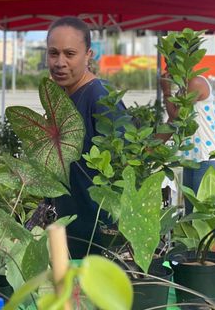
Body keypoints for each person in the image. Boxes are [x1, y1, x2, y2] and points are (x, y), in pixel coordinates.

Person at [46, 16, 125, 259]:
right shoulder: (60, 96)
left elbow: (125, 164)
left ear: (88, 55)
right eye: (53, 53)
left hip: (98, 234)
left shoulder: (100, 97)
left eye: (70, 54)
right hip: (69, 227)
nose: (60, 63)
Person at [160, 65, 215, 213]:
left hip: (209, 158)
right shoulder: (183, 89)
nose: (166, 68)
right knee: (192, 216)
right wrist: (149, 148)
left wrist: (166, 91)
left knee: (204, 218)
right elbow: (172, 124)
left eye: (170, 62)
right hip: (193, 159)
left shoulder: (195, 83)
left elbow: (175, 116)